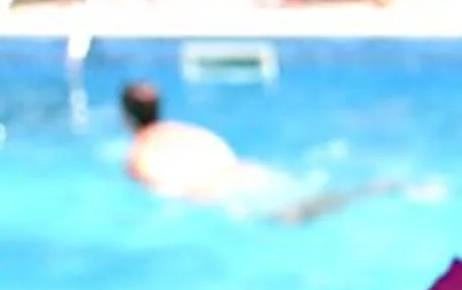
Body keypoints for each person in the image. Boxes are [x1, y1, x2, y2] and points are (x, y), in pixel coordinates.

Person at [118, 80, 412, 225]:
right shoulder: (189, 131)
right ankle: (377, 189)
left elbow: (162, 188)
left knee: (290, 218)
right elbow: (225, 154)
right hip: (249, 173)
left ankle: (369, 191)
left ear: (126, 116)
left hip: (216, 191)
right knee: (313, 198)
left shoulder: (139, 153)